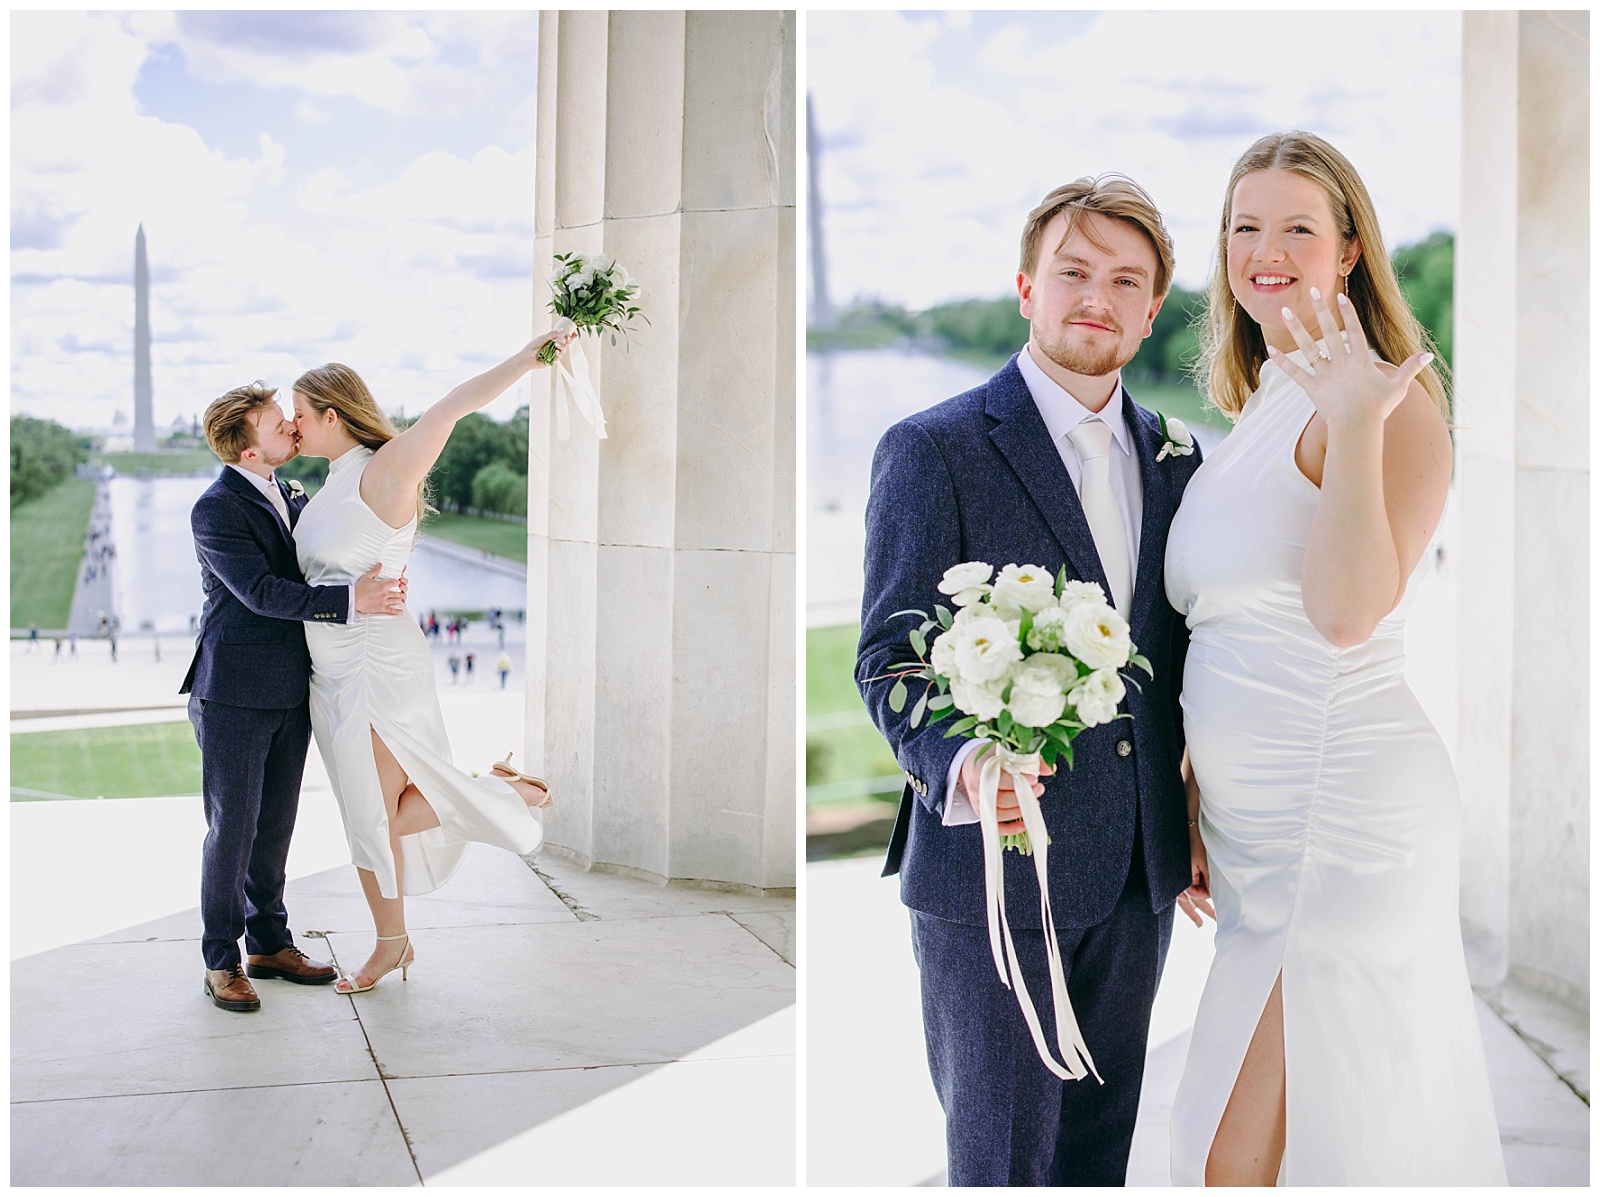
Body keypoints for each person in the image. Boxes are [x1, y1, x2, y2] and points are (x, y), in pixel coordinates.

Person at [1163, 131, 1506, 1184]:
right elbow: (1229, 623)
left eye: (1297, 228)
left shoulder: (1386, 403)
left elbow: (1346, 613)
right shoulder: (1264, 397)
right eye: (1243, 226)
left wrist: (1357, 422)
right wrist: (1191, 782)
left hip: (1342, 822)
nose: (1265, 249)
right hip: (1256, 834)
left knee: (1245, 1156)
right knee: (1256, 1145)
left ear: (1348, 250)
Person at [856, 176, 1204, 1186]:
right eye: (1073, 271)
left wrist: (1201, 815)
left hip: (1139, 877)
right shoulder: (934, 449)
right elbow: (890, 653)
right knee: (1002, 1166)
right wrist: (959, 762)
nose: (1096, 296)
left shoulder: (1178, 461)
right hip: (993, 875)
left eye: (1124, 280)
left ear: (1148, 311)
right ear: (1025, 286)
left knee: (1098, 1162)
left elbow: (1183, 662)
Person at [289, 333, 571, 995]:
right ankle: (493, 798)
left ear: (334, 413)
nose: (292, 423)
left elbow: (450, 408)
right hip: (330, 673)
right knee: (369, 813)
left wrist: (530, 359)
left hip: (373, 668)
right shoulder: (325, 482)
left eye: (300, 411)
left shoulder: (383, 468)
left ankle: (398, 937)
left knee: (373, 816)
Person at [182, 383, 408, 1013]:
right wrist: (348, 603)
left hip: (291, 685)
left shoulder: (294, 493)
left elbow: (328, 555)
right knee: (232, 829)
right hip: (232, 692)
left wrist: (378, 572)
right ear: (251, 453)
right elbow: (258, 591)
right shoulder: (216, 509)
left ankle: (269, 944)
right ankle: (221, 960)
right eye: (281, 425)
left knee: (275, 828)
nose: (294, 430)